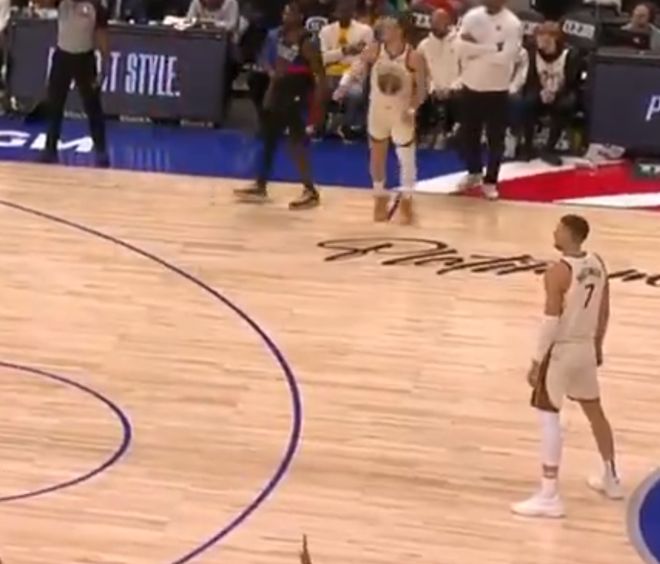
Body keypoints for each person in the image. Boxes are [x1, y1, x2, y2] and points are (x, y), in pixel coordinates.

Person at [512, 214, 622, 518]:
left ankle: (549, 495)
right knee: (595, 411)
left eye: (558, 230)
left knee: (549, 417)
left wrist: (537, 360)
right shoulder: (598, 263)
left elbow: (551, 320)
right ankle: (611, 478)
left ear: (571, 235)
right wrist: (597, 345)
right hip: (586, 348)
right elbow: (604, 310)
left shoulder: (557, 272)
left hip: (561, 351)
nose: (554, 233)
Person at [334, 12, 427, 224]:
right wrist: (343, 86)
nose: (384, 30)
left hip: (401, 113)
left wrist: (411, 110)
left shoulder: (413, 57)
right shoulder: (374, 50)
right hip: (378, 111)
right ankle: (379, 197)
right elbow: (355, 68)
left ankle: (407, 200)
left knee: (406, 159)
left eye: (389, 27)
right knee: (376, 157)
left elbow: (422, 90)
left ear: (400, 30)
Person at [234, 1, 325, 210]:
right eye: (284, 13)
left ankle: (310, 191)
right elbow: (274, 65)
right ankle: (260, 185)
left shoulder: (306, 42)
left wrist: (318, 106)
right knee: (269, 137)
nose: (285, 17)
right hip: (280, 91)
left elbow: (320, 75)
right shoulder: (280, 36)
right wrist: (271, 88)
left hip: (297, 92)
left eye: (290, 13)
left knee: (296, 142)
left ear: (300, 17)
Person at [455, 0, 522, 200]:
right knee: (469, 135)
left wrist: (475, 48)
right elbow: (459, 49)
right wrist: (492, 47)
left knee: (495, 139)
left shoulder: (512, 24)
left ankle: (491, 181)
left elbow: (506, 57)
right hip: (470, 85)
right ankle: (474, 172)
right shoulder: (472, 17)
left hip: (497, 90)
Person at [34, 0, 110, 166]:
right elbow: (41, 3)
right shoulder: (61, 2)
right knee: (55, 104)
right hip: (62, 57)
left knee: (93, 106)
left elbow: (102, 36)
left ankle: (101, 150)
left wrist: (104, 63)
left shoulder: (96, 5)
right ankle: (50, 149)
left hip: (85, 59)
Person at [520, 22, 580, 166]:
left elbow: (573, 83)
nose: (539, 40)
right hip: (541, 91)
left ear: (554, 38)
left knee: (564, 106)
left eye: (543, 36)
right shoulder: (532, 53)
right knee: (527, 102)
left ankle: (549, 149)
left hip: (562, 92)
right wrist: (541, 92)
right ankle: (527, 147)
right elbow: (530, 79)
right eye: (538, 36)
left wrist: (556, 93)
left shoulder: (570, 54)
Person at [319, 0, 373, 138]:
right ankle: (322, 124)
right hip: (329, 74)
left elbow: (364, 58)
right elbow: (323, 58)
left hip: (354, 74)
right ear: (335, 13)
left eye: (348, 11)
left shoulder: (365, 31)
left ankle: (346, 126)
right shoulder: (326, 31)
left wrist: (335, 56)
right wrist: (344, 51)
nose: (345, 14)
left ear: (353, 12)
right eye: (341, 11)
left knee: (355, 94)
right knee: (322, 89)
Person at [417, 8, 461, 147]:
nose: (437, 25)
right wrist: (432, 88)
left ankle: (450, 133)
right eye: (435, 22)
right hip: (431, 90)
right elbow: (422, 73)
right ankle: (426, 135)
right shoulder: (423, 46)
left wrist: (452, 88)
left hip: (456, 90)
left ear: (449, 22)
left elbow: (467, 71)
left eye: (441, 22)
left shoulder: (461, 43)